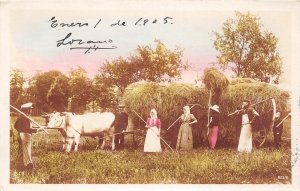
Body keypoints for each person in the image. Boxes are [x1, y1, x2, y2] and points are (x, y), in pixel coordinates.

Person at [14, 102, 41, 171]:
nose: (31, 111)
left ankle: (19, 166)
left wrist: (20, 131)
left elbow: (16, 126)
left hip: (22, 135)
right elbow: (25, 129)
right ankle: (28, 167)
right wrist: (36, 130)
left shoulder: (22, 117)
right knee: (27, 151)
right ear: (27, 110)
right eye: (30, 109)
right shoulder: (24, 118)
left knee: (21, 151)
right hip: (25, 136)